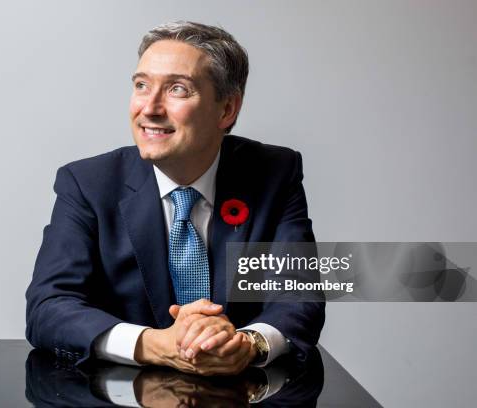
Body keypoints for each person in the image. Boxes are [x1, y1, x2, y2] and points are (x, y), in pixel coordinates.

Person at [26, 21, 325, 376]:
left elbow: (299, 296)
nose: (149, 108)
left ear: (227, 109)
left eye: (177, 90)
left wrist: (246, 344)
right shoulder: (87, 183)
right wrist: (155, 344)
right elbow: (49, 306)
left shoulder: (275, 172)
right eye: (141, 86)